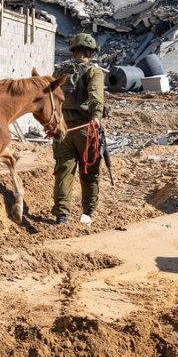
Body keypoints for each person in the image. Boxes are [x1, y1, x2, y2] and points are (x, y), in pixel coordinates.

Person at [52, 33, 105, 225]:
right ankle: (87, 213)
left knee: (63, 171)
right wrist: (96, 117)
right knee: (89, 171)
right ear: (90, 52)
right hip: (86, 129)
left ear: (74, 51)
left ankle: (62, 216)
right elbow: (95, 96)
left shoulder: (59, 72)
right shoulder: (94, 72)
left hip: (63, 130)